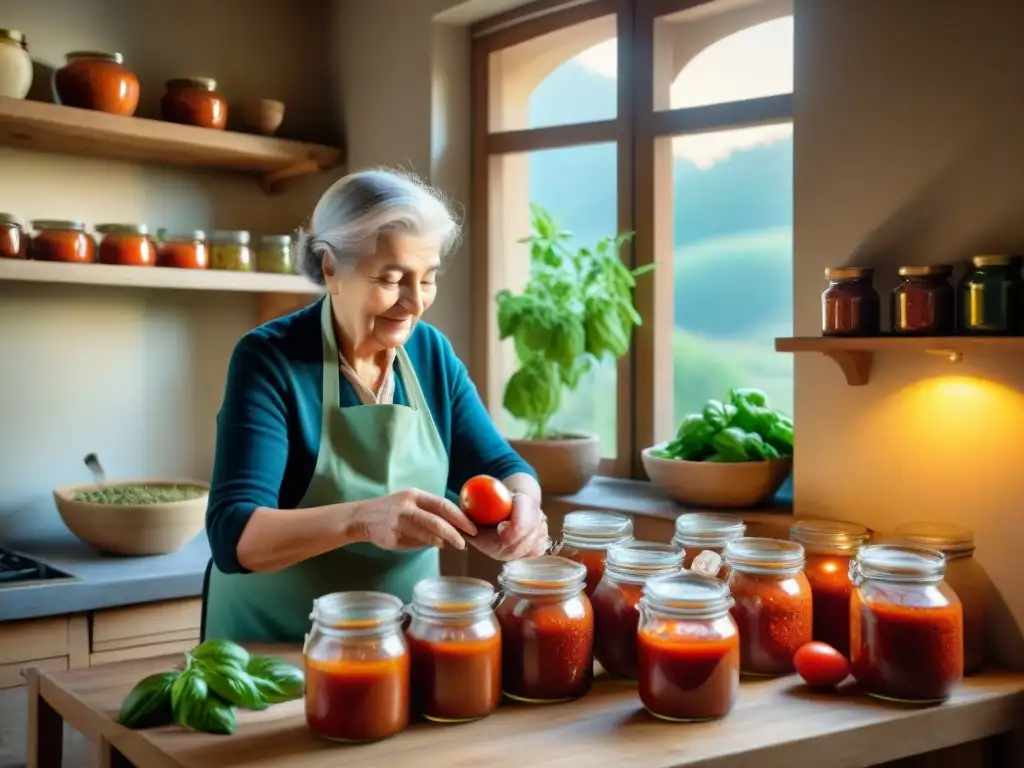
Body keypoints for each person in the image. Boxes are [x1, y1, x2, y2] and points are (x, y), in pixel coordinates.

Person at [202, 169, 547, 642]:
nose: (414, 302)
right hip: (273, 649)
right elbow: (233, 534)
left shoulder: (431, 354)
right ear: (330, 268)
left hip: (399, 644)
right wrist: (363, 519)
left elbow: (498, 463)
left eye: (427, 279)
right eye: (392, 278)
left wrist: (523, 504)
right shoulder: (269, 359)